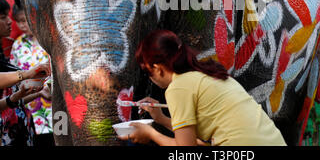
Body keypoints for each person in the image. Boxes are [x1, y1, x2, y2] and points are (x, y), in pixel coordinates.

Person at [118, 30, 286, 146]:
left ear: (156, 67)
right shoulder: (206, 74)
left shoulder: (178, 88)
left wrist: (150, 134)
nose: (151, 77)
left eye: (147, 72)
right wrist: (160, 118)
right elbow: (192, 136)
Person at [0, 0, 51, 146]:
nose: (10, 21)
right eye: (3, 17)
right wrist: (26, 74)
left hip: (21, 131)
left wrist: (37, 92)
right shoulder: (17, 45)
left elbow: (0, 104)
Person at [10, 5, 54, 146]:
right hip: (30, 105)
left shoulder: (49, 40)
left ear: (34, 17)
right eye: (19, 21)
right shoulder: (17, 45)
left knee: (60, 137)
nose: (22, 25)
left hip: (54, 104)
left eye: (25, 20)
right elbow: (12, 75)